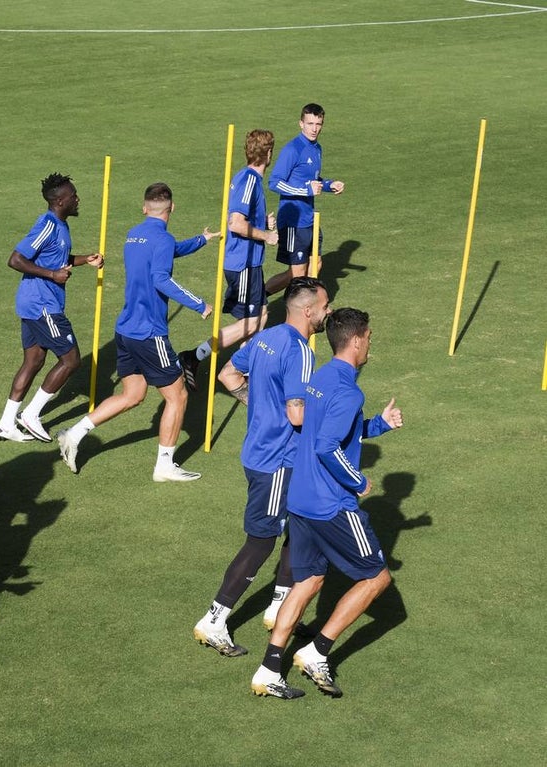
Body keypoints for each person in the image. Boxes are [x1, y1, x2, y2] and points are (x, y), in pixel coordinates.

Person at [251, 308, 402, 699]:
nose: (370, 343)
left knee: (308, 581)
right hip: (331, 504)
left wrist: (379, 424)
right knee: (376, 578)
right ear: (356, 340)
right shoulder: (350, 391)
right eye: (368, 337)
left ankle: (269, 670)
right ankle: (316, 652)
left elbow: (331, 428)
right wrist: (358, 480)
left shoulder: (320, 378)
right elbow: (326, 445)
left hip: (301, 499)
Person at [192, 277, 330, 657]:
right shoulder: (301, 351)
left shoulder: (265, 338)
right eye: (325, 306)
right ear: (308, 311)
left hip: (259, 453)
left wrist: (259, 405)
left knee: (299, 528)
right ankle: (214, 620)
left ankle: (280, 610)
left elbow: (228, 375)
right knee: (261, 541)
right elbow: (297, 414)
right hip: (278, 461)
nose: (328, 312)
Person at [56, 182, 209, 481]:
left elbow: (169, 249)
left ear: (144, 208)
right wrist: (199, 304)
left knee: (132, 394)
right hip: (149, 333)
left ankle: (73, 435)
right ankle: (164, 466)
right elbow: (161, 277)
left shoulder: (134, 234)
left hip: (125, 330)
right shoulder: (162, 239)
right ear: (172, 208)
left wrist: (201, 240)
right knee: (177, 396)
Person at [0, 173, 103, 443]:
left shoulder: (61, 226)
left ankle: (6, 423)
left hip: (34, 303)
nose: (78, 199)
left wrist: (85, 260)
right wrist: (53, 275)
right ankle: (31, 415)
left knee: (33, 361)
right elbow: (16, 259)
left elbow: (57, 256)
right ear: (60, 201)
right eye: (73, 196)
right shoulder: (48, 224)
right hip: (42, 304)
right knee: (71, 360)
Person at [179, 129, 279, 390]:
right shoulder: (249, 181)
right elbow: (235, 222)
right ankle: (195, 356)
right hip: (243, 263)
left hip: (250, 263)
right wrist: (266, 235)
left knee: (261, 316)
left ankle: (245, 370)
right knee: (251, 322)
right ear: (269, 154)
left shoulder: (245, 178)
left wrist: (262, 222)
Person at [264, 104, 345, 297]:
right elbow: (274, 182)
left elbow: (312, 180)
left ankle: (307, 306)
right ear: (301, 124)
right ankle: (258, 298)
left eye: (318, 124)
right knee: (296, 274)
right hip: (294, 220)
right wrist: (305, 190)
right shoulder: (293, 149)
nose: (314, 129)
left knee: (315, 265)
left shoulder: (317, 149)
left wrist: (329, 185)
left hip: (310, 219)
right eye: (310, 124)